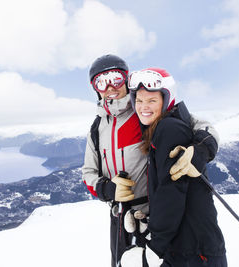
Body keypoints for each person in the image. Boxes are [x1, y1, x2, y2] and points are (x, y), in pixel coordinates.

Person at [82, 55, 220, 267]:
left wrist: (202, 149)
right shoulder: (96, 129)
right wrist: (108, 189)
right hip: (120, 218)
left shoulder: (145, 111)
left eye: (115, 78)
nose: (110, 87)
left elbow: (198, 125)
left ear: (126, 80)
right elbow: (88, 173)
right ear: (95, 88)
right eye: (101, 81)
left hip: (154, 215)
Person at [121, 67, 227, 266]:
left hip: (194, 251)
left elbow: (171, 193)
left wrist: (156, 246)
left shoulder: (169, 129)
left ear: (166, 100)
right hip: (190, 246)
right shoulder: (164, 126)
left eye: (152, 100)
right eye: (139, 100)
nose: (144, 106)